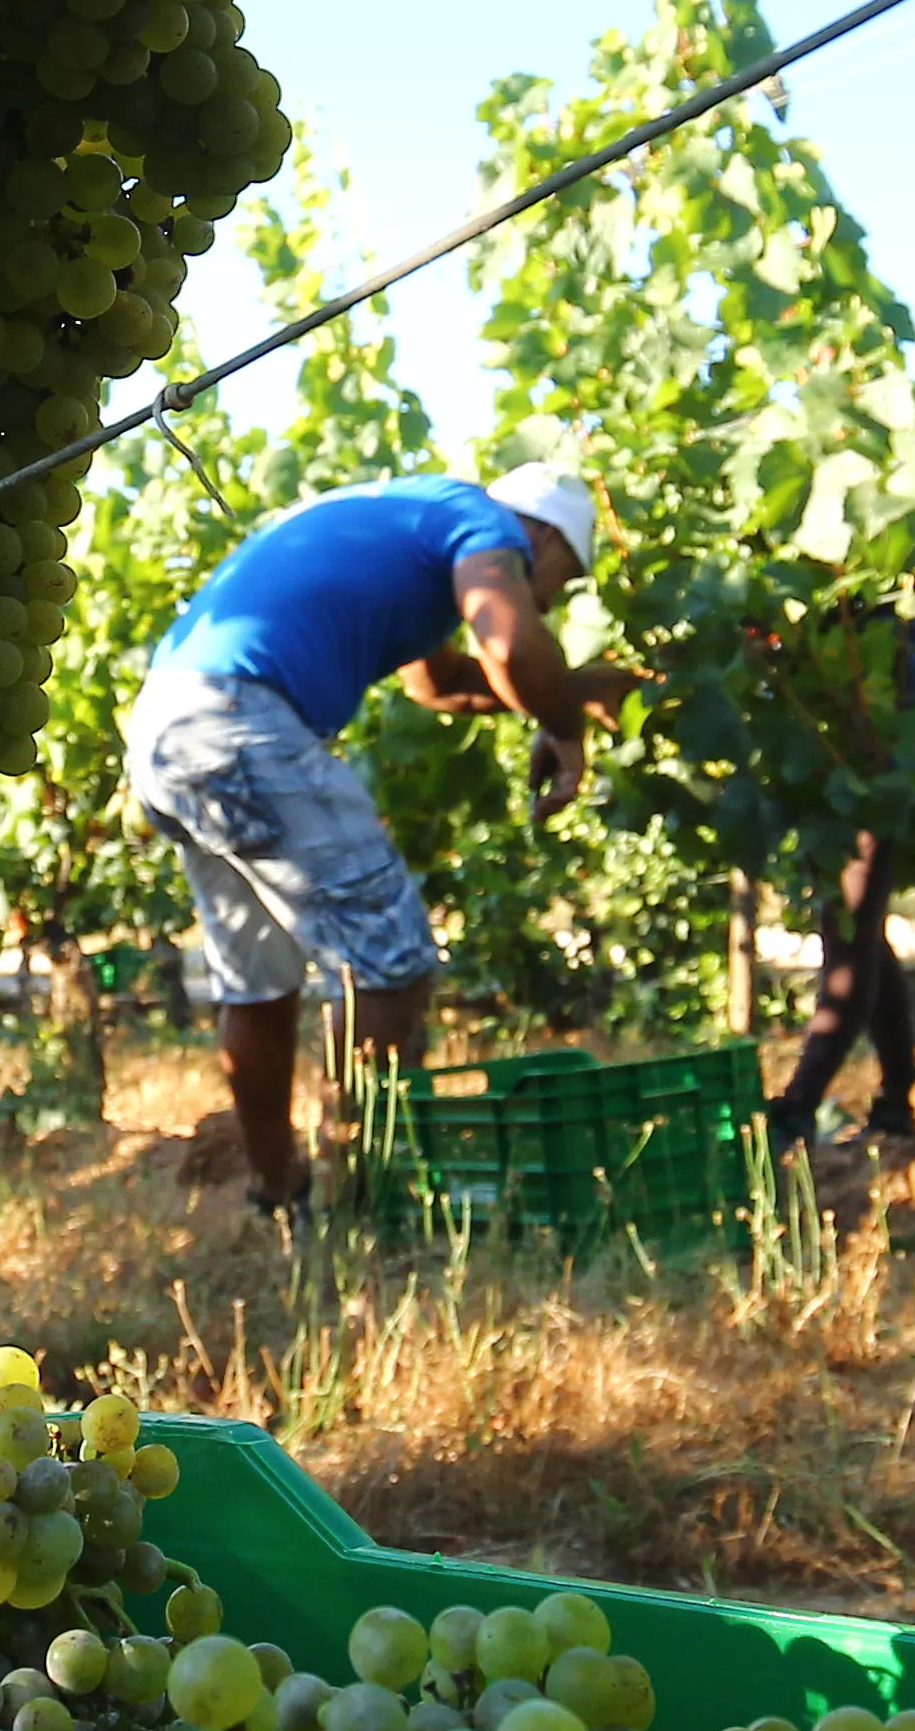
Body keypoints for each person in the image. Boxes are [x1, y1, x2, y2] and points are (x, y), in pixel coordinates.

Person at [121, 461, 635, 1209]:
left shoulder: (408, 519)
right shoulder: (483, 524)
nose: (551, 596)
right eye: (559, 577)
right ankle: (358, 1201)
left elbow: (441, 684)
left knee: (259, 986)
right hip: (240, 721)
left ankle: (281, 1198)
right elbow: (513, 646)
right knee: (389, 965)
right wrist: (562, 726)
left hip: (169, 729)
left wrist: (579, 690)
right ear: (545, 537)